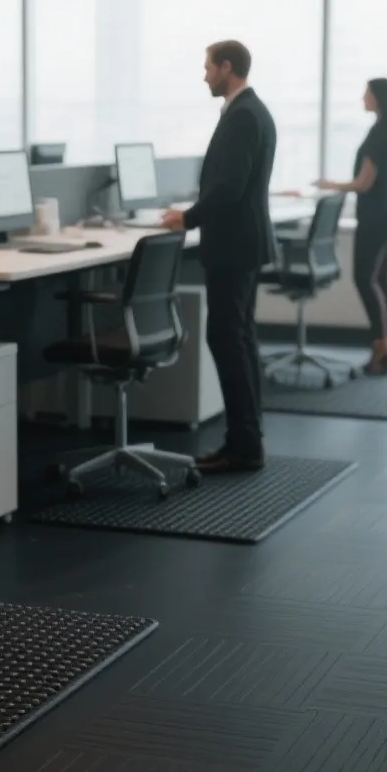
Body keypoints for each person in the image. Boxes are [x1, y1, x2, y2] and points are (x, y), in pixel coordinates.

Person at [163, 40, 276, 474]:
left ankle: (243, 445)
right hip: (241, 243)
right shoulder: (251, 110)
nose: (204, 75)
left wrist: (187, 217)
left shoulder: (244, 115)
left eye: (208, 67)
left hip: (233, 245)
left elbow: (229, 187)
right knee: (239, 340)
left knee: (229, 341)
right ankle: (246, 440)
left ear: (227, 67)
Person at [316, 77, 387, 375]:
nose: (362, 98)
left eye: (366, 93)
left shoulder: (379, 134)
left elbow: (363, 183)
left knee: (364, 278)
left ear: (378, 98)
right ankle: (385, 344)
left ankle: (382, 344)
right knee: (381, 280)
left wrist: (330, 185)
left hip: (376, 215)